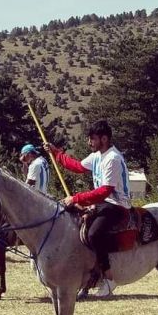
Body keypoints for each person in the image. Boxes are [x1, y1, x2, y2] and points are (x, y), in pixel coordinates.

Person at [44, 120, 131, 298]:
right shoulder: (97, 155)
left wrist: (76, 198)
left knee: (94, 234)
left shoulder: (112, 158)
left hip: (117, 205)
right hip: (102, 202)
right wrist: (55, 153)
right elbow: (77, 167)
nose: (89, 142)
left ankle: (108, 277)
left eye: (92, 138)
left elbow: (105, 191)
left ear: (104, 139)